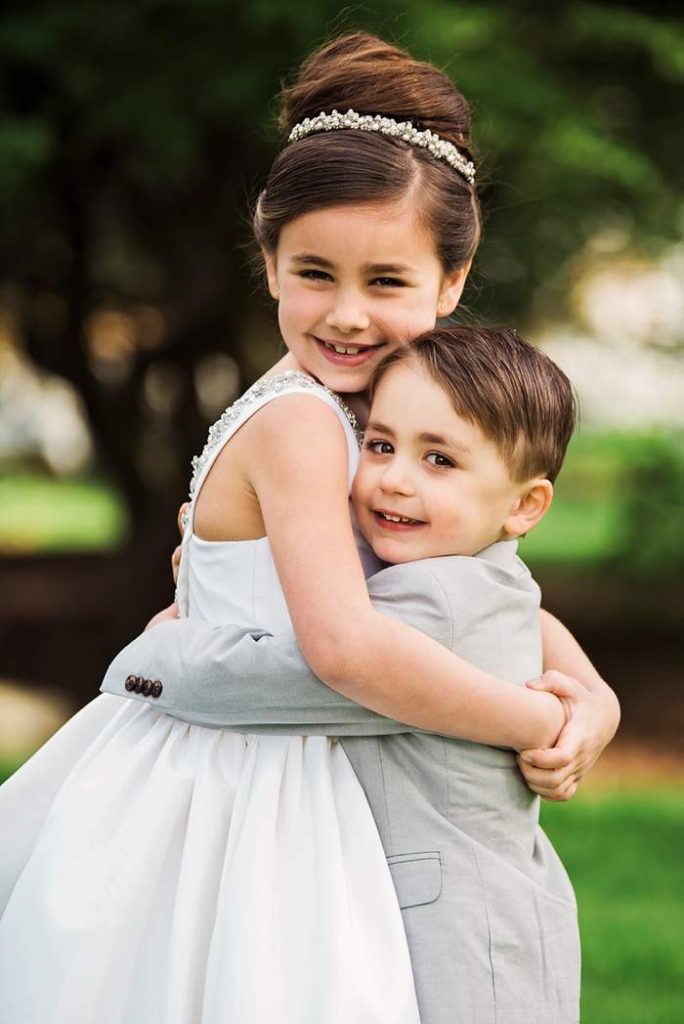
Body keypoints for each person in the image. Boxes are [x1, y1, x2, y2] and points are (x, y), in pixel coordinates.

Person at [0, 31, 618, 1024]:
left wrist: (590, 694)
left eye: (387, 283)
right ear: (269, 257)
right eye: (315, 273)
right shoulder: (299, 422)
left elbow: (469, 583)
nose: (347, 315)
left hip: (305, 769)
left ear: (451, 285)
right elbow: (344, 642)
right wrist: (533, 719)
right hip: (248, 786)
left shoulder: (381, 418)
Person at [109, 324, 587, 1022]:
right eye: (381, 445)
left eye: (440, 461)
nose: (394, 477)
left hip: (464, 938)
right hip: (473, 910)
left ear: (524, 506)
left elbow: (259, 677)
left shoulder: (433, 608)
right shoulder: (472, 570)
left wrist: (162, 644)